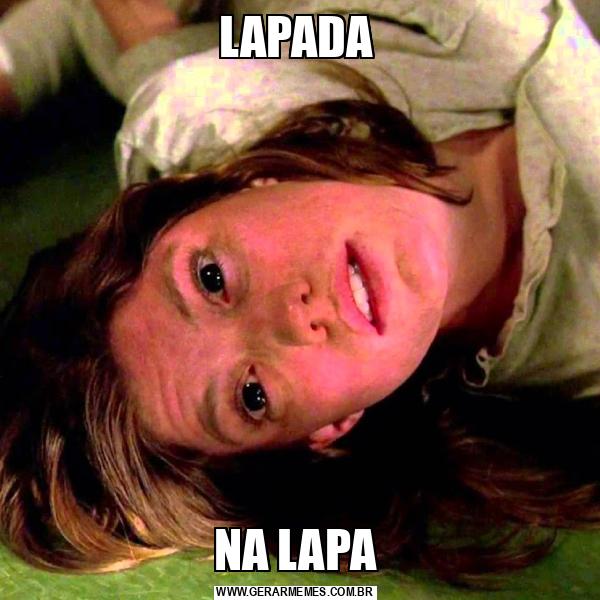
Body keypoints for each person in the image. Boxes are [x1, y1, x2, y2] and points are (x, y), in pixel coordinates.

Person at [0, 0, 599, 585]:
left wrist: (32, 61)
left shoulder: (243, 83)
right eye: (253, 395)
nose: (289, 318)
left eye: (212, 279)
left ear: (245, 186)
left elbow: (119, 37)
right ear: (329, 429)